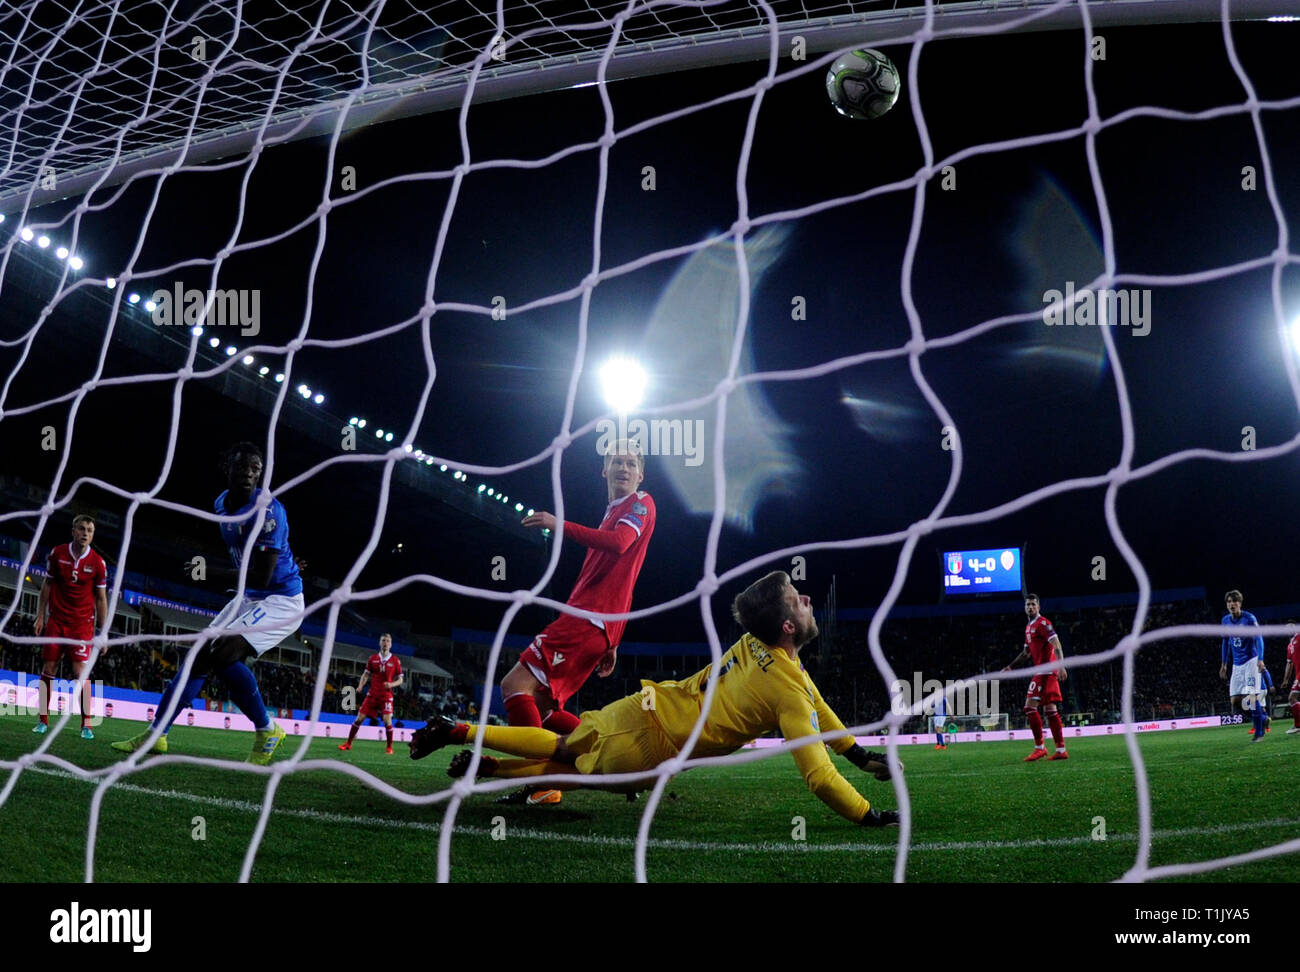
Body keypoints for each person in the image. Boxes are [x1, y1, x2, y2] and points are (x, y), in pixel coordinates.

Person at [411, 571, 901, 827]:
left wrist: (860, 756)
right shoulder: (788, 691)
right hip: (652, 743)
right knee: (563, 755)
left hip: (644, 713)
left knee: (572, 769)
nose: (808, 599)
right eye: (798, 598)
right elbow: (817, 776)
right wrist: (867, 813)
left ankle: (487, 767)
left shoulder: (758, 646)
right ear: (789, 627)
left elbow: (818, 704)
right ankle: (459, 731)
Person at [113, 442, 300, 764]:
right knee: (199, 655)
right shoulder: (220, 505)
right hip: (248, 597)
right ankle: (156, 736)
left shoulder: (270, 511)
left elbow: (263, 577)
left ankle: (267, 729)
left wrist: (210, 573)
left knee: (224, 653)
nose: (249, 473)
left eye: (255, 468)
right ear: (227, 467)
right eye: (243, 466)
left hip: (280, 599)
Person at [498, 439, 656, 804]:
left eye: (631, 463)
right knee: (546, 708)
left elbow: (618, 545)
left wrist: (558, 524)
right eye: (617, 461)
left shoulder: (641, 503)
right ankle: (622, 766)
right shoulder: (612, 509)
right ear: (604, 469)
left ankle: (545, 782)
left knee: (514, 685)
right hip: (592, 622)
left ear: (640, 474)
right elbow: (623, 578)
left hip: (588, 620)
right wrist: (614, 639)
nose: (624, 468)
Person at [32, 514, 108, 740]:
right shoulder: (57, 553)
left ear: (92, 536)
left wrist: (102, 633)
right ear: (73, 531)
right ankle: (43, 721)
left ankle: (86, 724)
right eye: (82, 529)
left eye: (90, 530)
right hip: (56, 621)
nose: (85, 533)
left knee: (79, 673)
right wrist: (40, 616)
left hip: (82, 626)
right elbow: (47, 584)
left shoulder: (98, 563)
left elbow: (101, 599)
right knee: (49, 668)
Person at [1003, 594, 1069, 762]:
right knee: (1050, 710)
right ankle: (1061, 749)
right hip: (1042, 671)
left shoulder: (1043, 624)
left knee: (1029, 707)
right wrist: (1010, 666)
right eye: (1028, 605)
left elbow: (1057, 644)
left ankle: (1040, 748)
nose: (1030, 607)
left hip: (1046, 670)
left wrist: (1061, 666)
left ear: (1039, 606)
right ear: (1025, 608)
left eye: (1033, 604)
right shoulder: (1029, 627)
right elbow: (1026, 653)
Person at [338, 633, 403, 754]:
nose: (385, 643)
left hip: (386, 696)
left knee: (387, 720)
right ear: (380, 643)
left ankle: (389, 747)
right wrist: (360, 685)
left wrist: (391, 684)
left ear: (391, 644)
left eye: (388, 641)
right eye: (383, 640)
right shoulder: (372, 659)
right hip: (372, 694)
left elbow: (400, 679)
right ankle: (348, 743)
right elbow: (366, 674)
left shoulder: (395, 661)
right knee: (359, 718)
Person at [1218, 590, 1267, 741]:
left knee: (1252, 697)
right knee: (1235, 701)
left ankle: (1259, 732)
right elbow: (1226, 641)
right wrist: (1224, 663)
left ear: (1240, 603)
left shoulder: (1249, 619)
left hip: (1251, 661)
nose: (1232, 604)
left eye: (1235, 601)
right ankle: (1262, 719)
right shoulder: (1225, 621)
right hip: (1237, 665)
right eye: (1229, 602)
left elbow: (1259, 638)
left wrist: (1260, 658)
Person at [1282, 622, 1300, 736]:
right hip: (1298, 674)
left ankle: (1298, 726)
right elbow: (1289, 664)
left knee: (1292, 698)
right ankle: (1297, 725)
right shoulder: (1289, 645)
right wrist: (1285, 680)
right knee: (1292, 698)